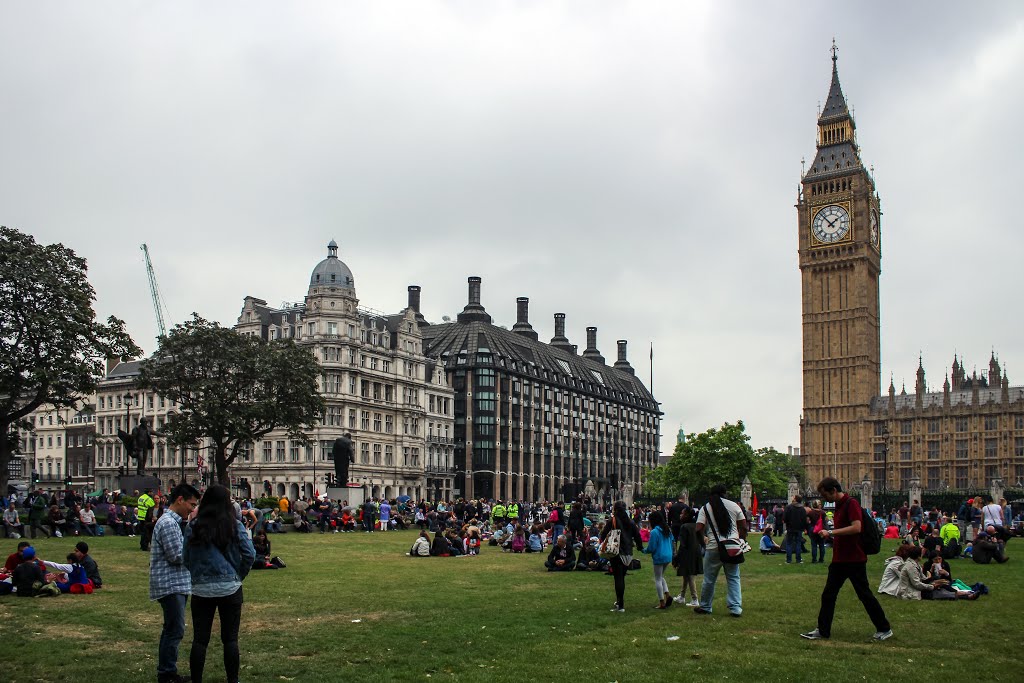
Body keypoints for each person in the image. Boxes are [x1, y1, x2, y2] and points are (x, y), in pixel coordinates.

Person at [801, 477, 892, 642]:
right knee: (828, 594)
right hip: (840, 559)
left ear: (834, 491)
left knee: (864, 595)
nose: (824, 499)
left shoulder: (851, 504)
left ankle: (884, 628)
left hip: (854, 558)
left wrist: (832, 533)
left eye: (825, 495)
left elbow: (857, 527)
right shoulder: (840, 506)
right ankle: (823, 630)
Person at [183, 484, 256, 683]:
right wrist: (238, 575)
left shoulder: (194, 526)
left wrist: (197, 574)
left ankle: (196, 680)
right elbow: (249, 554)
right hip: (230, 587)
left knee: (200, 639)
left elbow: (185, 557)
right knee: (230, 639)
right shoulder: (234, 525)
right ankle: (233, 680)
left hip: (201, 588)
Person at [150, 483, 200, 683]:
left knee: (171, 628)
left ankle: (167, 670)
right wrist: (196, 548)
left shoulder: (171, 521)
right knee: (175, 629)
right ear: (180, 500)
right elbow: (176, 555)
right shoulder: (169, 523)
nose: (192, 509)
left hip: (173, 583)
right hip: (171, 584)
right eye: (191, 504)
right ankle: (167, 673)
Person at [693, 484, 746, 617]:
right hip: (732, 547)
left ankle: (705, 606)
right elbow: (744, 526)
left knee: (709, 579)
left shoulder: (706, 508)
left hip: (713, 546)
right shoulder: (734, 506)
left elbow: (699, 529)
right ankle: (735, 608)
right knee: (733, 577)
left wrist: (703, 544)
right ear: (725, 493)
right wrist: (741, 540)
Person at [600, 500, 644, 613]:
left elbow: (603, 534)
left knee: (618, 578)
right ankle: (620, 602)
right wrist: (639, 547)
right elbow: (637, 535)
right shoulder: (630, 521)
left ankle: (620, 604)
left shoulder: (613, 520)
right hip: (628, 552)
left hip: (617, 551)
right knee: (622, 577)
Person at [643, 509, 674, 609]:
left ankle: (661, 602)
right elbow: (672, 540)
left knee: (657, 579)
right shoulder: (667, 529)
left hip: (659, 556)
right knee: (661, 576)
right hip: (668, 555)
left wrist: (644, 550)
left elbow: (651, 547)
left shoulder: (655, 532)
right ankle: (667, 594)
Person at [672, 507, 703, 606]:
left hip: (687, 553)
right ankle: (682, 596)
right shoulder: (696, 525)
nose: (680, 515)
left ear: (686, 515)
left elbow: (683, 544)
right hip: (696, 552)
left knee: (690, 576)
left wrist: (677, 557)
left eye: (682, 513)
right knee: (686, 575)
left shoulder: (684, 527)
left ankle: (695, 599)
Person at [783, 495, 808, 564]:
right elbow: (804, 519)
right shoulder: (802, 509)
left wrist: (787, 523)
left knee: (789, 543)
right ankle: (798, 559)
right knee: (798, 543)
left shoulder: (789, 507)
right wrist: (804, 527)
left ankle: (789, 560)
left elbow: (785, 518)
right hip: (799, 528)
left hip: (790, 528)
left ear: (795, 499)